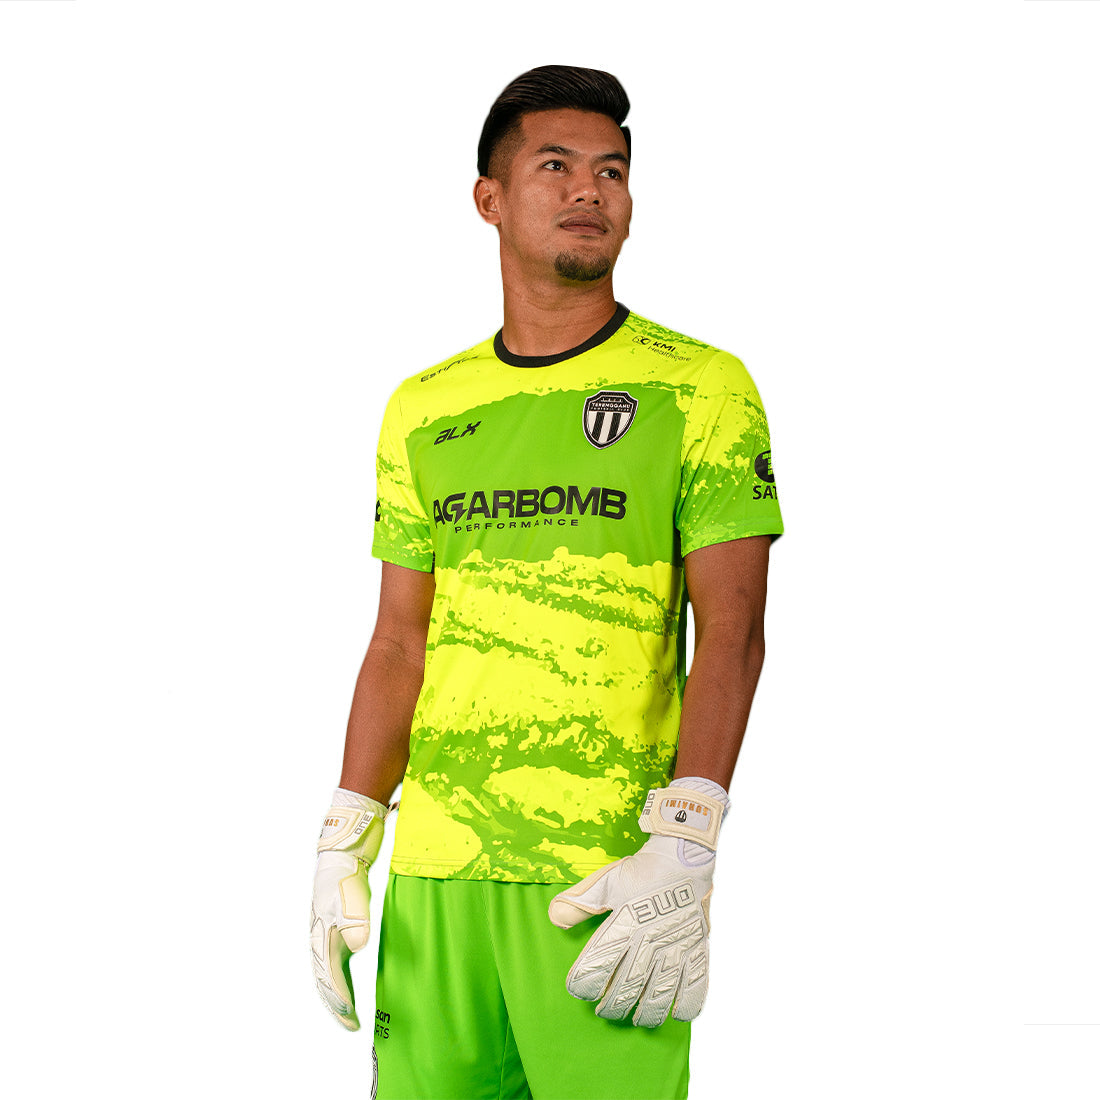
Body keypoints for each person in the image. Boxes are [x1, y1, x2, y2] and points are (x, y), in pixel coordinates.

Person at [310, 64, 784, 1100]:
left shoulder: (700, 387)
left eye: (611, 171)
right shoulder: (424, 407)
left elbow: (734, 628)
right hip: (436, 872)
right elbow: (398, 639)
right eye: (555, 167)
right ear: (489, 198)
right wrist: (347, 830)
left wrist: (688, 838)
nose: (588, 191)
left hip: (606, 879)